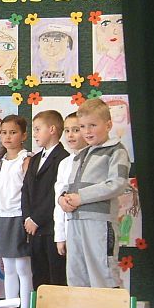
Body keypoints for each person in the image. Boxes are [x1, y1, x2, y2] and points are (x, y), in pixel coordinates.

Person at [58, 99, 130, 288]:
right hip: (74, 221)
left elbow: (118, 183)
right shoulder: (80, 154)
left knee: (102, 273)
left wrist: (81, 197)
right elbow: (69, 185)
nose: (87, 131)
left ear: (108, 125)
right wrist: (62, 199)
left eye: (92, 125)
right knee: (76, 274)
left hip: (99, 222)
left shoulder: (116, 150)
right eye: (82, 126)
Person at [0, 115, 32, 308]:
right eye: (4, 132)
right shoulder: (1, 160)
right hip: (2, 217)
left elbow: (30, 192)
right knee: (8, 268)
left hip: (18, 216)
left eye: (13, 132)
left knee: (23, 267)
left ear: (24, 135)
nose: (7, 137)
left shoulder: (26, 159)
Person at [22, 110, 69, 288]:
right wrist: (27, 217)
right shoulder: (34, 159)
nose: (34, 134)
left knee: (56, 277)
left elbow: (55, 195)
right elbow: (25, 189)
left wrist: (36, 218)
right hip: (34, 230)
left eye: (37, 129)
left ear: (52, 129)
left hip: (51, 228)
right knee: (39, 277)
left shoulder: (63, 158)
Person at [53, 112, 88, 261]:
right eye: (67, 130)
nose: (70, 135)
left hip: (90, 228)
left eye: (76, 130)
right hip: (69, 229)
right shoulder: (64, 163)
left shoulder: (96, 159)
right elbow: (58, 202)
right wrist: (60, 236)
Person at [93, 14, 126, 81]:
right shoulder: (106, 57)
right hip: (109, 75)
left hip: (120, 76)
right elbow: (101, 64)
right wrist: (96, 74)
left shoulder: (122, 57)